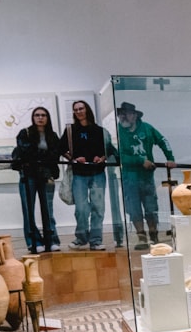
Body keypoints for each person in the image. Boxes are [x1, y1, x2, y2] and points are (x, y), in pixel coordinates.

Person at [116, 101, 175, 250]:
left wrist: (170, 158)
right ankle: (141, 237)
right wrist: (141, 161)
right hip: (129, 178)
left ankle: (154, 235)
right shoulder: (117, 132)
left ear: (134, 115)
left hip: (146, 177)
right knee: (134, 208)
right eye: (121, 114)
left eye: (126, 113)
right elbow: (119, 156)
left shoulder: (147, 128)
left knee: (151, 207)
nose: (123, 116)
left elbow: (163, 140)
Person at [63, 100, 116, 250]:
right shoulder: (70, 130)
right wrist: (74, 159)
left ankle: (96, 240)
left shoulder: (100, 131)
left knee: (98, 208)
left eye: (81, 108)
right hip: (79, 174)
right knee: (81, 208)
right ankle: (81, 238)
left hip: (97, 173)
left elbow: (109, 150)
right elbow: (61, 149)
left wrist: (102, 158)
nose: (79, 111)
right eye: (76, 110)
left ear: (87, 110)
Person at [11, 106, 62, 253]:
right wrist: (43, 156)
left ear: (47, 118)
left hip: (46, 175)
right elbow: (27, 152)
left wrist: (39, 156)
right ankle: (34, 241)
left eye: (43, 115)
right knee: (28, 210)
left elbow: (55, 155)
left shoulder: (52, 135)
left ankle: (51, 240)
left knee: (48, 210)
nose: (40, 118)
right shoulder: (25, 133)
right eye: (37, 115)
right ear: (33, 117)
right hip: (28, 175)